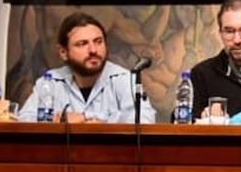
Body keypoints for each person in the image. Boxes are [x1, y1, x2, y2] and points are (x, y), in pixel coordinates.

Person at [17, 11, 154, 124]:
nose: (93, 50)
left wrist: (86, 118)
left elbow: (145, 120)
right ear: (63, 53)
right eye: (82, 44)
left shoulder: (125, 79)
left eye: (98, 42)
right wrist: (57, 120)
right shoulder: (50, 81)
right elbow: (24, 120)